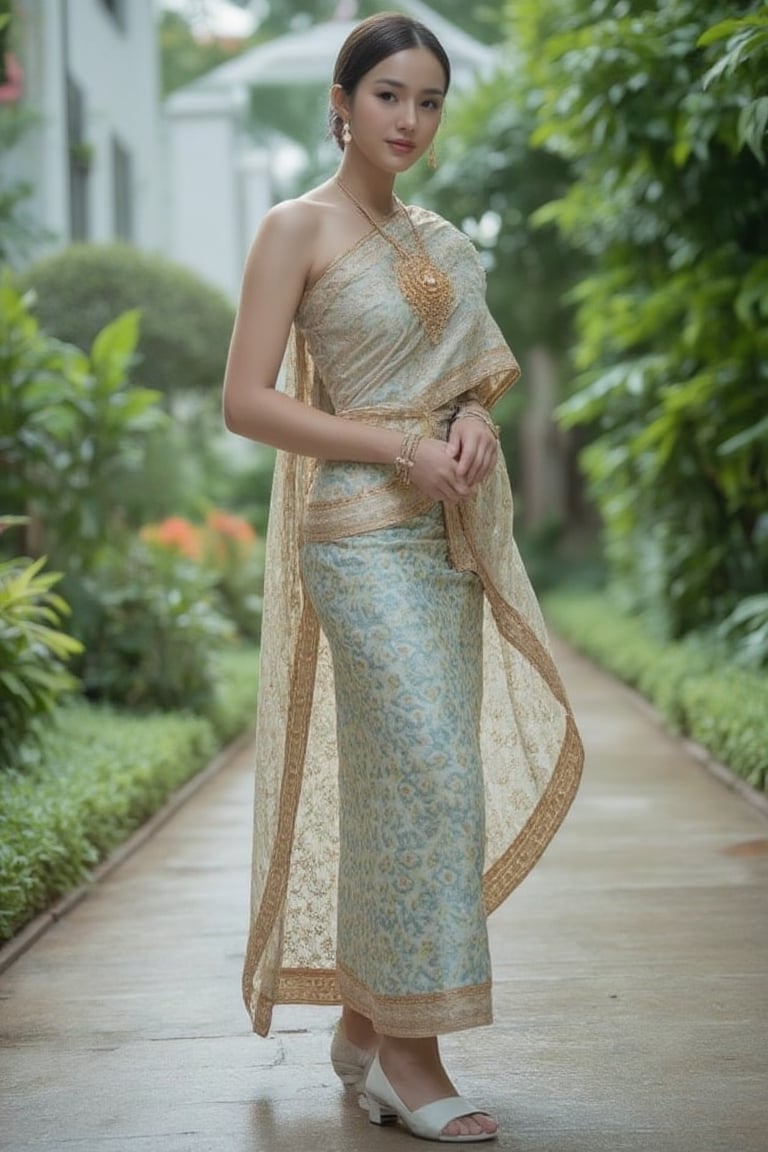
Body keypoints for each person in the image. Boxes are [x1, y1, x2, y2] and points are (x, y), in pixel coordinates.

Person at [223, 11, 584, 1143]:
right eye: (389, 96)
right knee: (428, 767)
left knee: (417, 786)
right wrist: (398, 446)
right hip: (359, 536)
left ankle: (371, 1023)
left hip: (447, 543)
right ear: (342, 101)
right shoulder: (297, 228)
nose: (411, 120)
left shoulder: (444, 237)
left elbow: (471, 377)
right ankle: (412, 1062)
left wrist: (473, 424)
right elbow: (246, 402)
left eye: (429, 100)